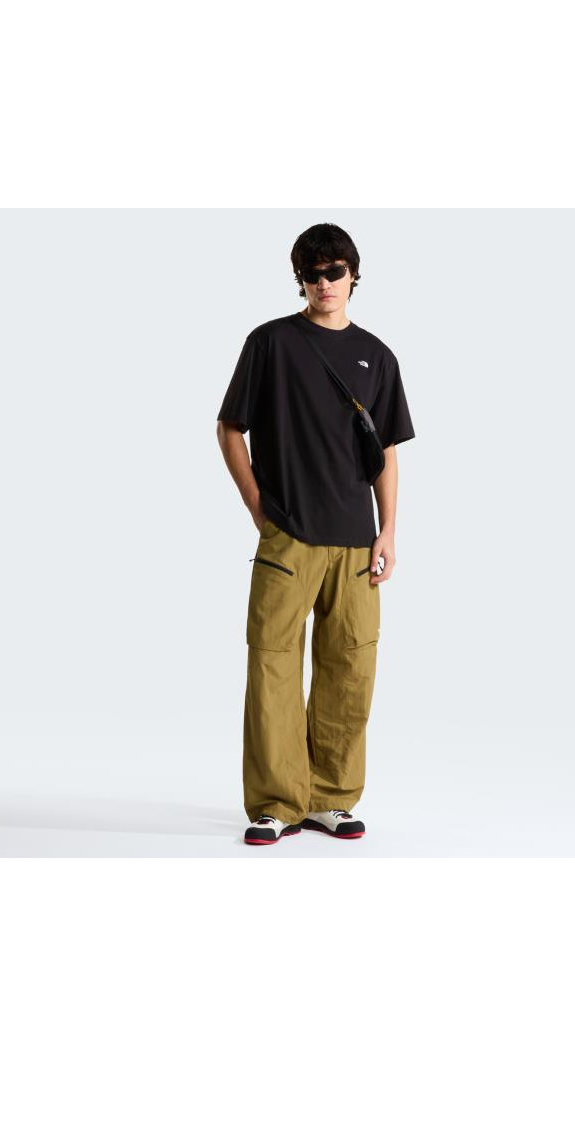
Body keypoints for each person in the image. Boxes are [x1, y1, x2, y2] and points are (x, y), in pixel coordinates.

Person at [215, 223, 416, 846]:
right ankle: (277, 803)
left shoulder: (378, 356)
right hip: (289, 538)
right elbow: (230, 428)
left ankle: (331, 797)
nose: (324, 283)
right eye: (312, 274)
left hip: (356, 541)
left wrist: (388, 530)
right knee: (272, 664)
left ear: (353, 275)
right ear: (300, 279)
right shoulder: (271, 343)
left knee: (350, 667)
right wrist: (258, 507)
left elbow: (385, 449)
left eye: (335, 272)